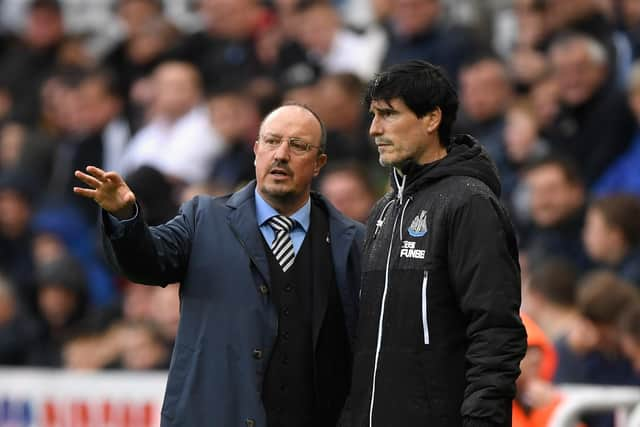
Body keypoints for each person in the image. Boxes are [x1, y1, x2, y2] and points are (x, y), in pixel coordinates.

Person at [73, 103, 365, 427]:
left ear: (319, 163)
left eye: (298, 146)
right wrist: (125, 216)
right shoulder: (202, 217)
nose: (281, 154)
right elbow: (148, 261)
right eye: (271, 141)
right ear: (256, 150)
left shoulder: (352, 242)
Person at [339, 60, 526, 427]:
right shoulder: (383, 211)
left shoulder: (469, 203)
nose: (375, 129)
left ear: (431, 118)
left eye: (389, 114)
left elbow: (495, 329)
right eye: (373, 115)